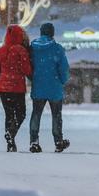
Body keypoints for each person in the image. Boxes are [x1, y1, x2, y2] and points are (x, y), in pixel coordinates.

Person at [29, 22, 70, 153]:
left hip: (38, 86)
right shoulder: (57, 48)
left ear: (41, 32)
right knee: (56, 115)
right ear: (52, 33)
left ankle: (34, 141)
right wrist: (63, 80)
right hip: (54, 87)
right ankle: (58, 141)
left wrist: (34, 78)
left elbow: (29, 66)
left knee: (36, 114)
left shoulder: (33, 48)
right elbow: (64, 68)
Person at [0, 25, 32, 152]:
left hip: (3, 88)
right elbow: (27, 70)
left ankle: (10, 143)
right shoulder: (21, 50)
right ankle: (12, 133)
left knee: (9, 115)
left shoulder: (0, 51)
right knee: (21, 114)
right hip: (17, 88)